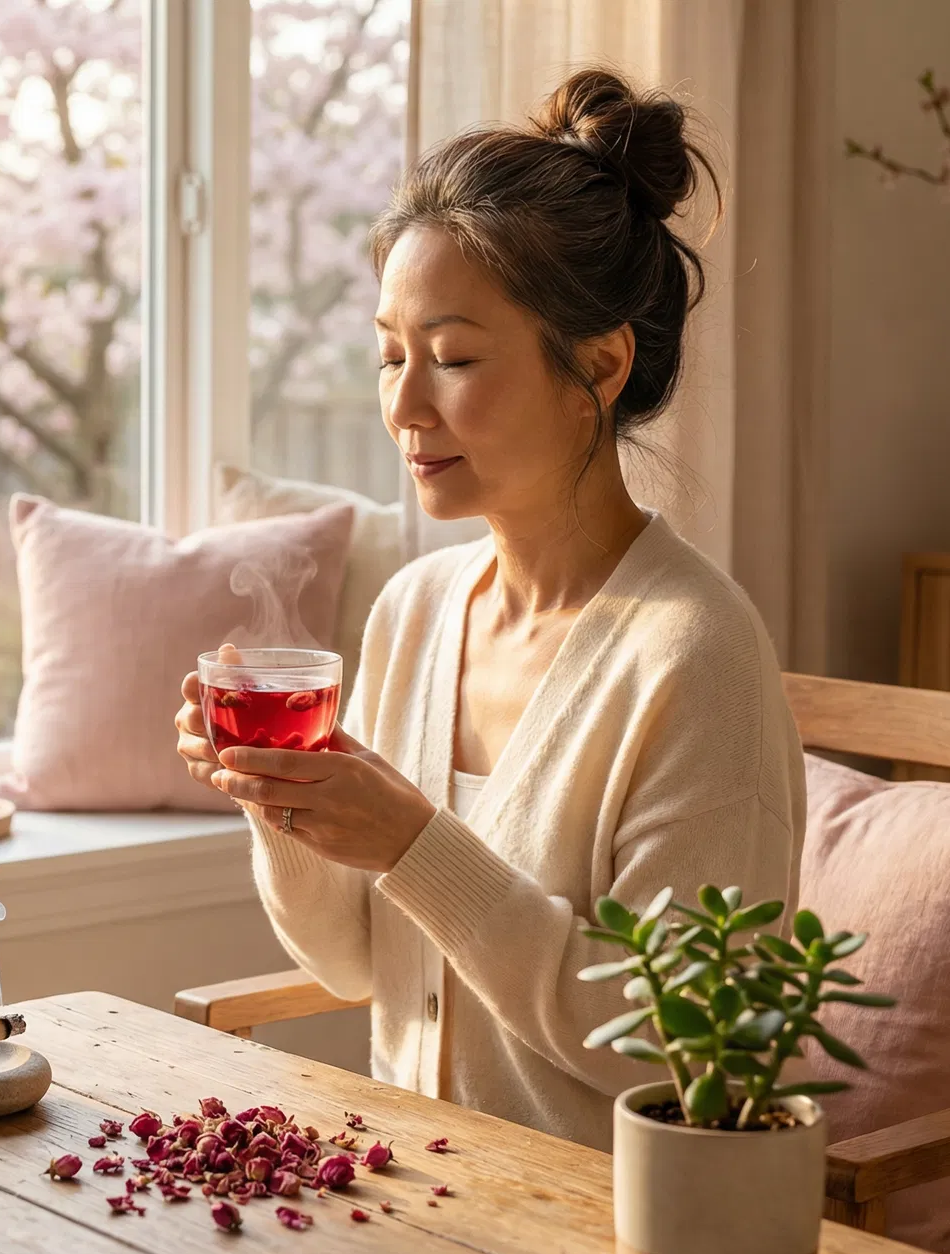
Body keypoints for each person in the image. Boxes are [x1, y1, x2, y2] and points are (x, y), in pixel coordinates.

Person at [174, 68, 804, 1152]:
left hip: (594, 1232)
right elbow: (354, 966)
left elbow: (677, 1052)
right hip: (406, 1200)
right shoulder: (415, 612)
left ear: (600, 365)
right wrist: (281, 803)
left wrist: (415, 841)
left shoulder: (695, 655)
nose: (405, 407)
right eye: (389, 356)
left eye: (455, 358)